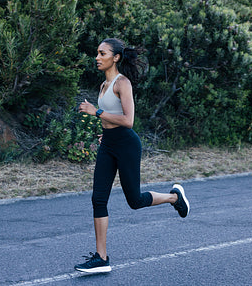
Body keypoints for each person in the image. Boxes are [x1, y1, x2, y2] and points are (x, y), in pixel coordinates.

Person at [74, 38, 190, 274]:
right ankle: (101, 258)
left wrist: (95, 112)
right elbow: (111, 117)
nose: (97, 57)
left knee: (134, 201)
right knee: (98, 199)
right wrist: (104, 131)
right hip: (108, 144)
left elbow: (128, 121)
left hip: (126, 145)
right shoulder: (103, 86)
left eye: (102, 53)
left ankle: (174, 198)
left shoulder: (122, 83)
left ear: (115, 57)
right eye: (97, 53)